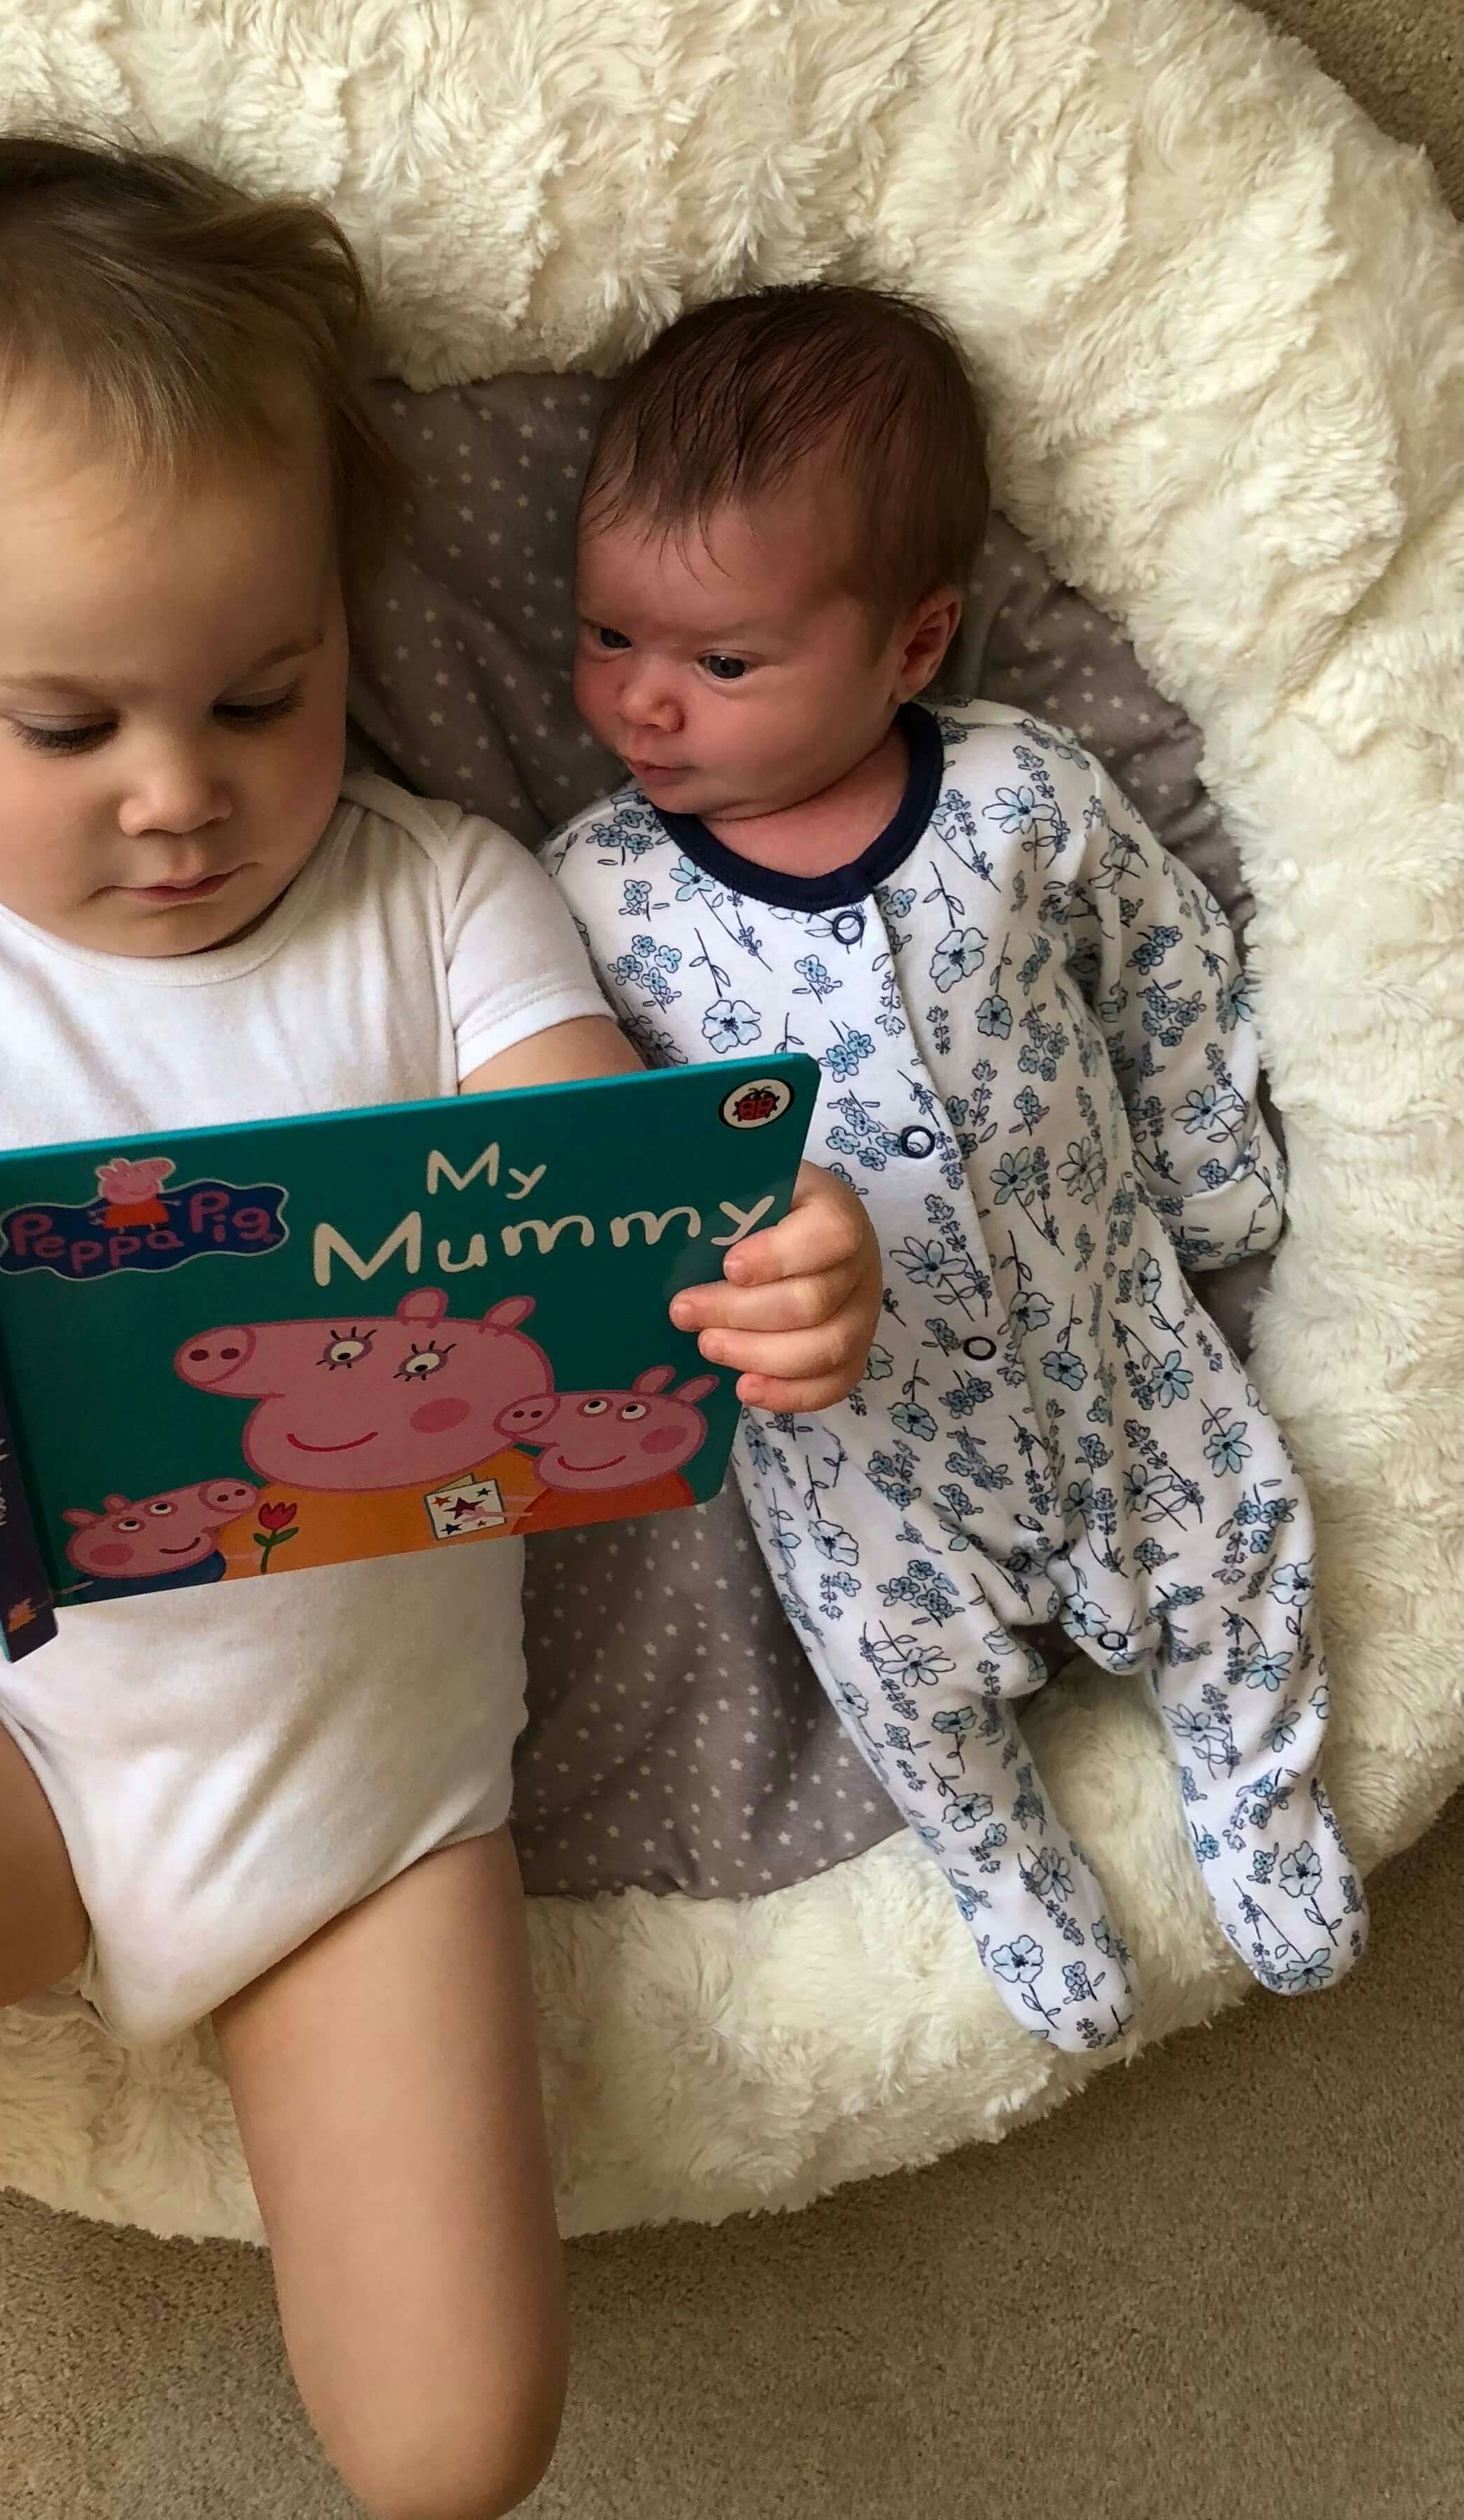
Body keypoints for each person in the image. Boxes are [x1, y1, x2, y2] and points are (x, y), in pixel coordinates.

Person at [0, 138, 884, 2520]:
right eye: (63, 728)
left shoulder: (438, 901)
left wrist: (771, 1264)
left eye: (263, 691)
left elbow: (605, 1207)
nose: (177, 795)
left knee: (456, 2446)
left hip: (369, 1809)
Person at [542, 286, 1367, 2056]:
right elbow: (566, 1151)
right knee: (904, 1685)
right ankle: (1004, 1864)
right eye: (608, 638)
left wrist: (1211, 1157)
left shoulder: (1014, 793)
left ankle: (1255, 1795)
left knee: (1240, 1546)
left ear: (910, 648)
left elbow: (1165, 959)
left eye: (721, 663)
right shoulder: (600, 890)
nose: (644, 704)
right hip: (857, 1432)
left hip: (1115, 1337)